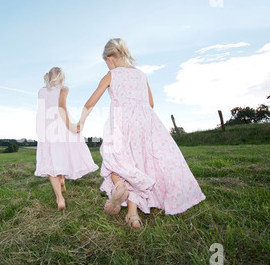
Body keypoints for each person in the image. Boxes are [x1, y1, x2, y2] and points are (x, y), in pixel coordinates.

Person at [77, 38, 205, 228]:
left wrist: (80, 121)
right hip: (144, 122)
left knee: (114, 159)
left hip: (119, 121)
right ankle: (132, 215)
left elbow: (90, 102)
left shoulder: (111, 75)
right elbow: (151, 103)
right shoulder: (141, 75)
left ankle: (120, 186)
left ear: (110, 58)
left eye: (106, 61)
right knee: (138, 163)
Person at [35, 67, 99, 211]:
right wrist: (70, 126)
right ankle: (62, 180)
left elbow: (40, 111)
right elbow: (61, 108)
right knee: (62, 152)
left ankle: (59, 198)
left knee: (51, 159)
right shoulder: (64, 90)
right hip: (61, 125)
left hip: (46, 127)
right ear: (61, 78)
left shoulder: (41, 91)